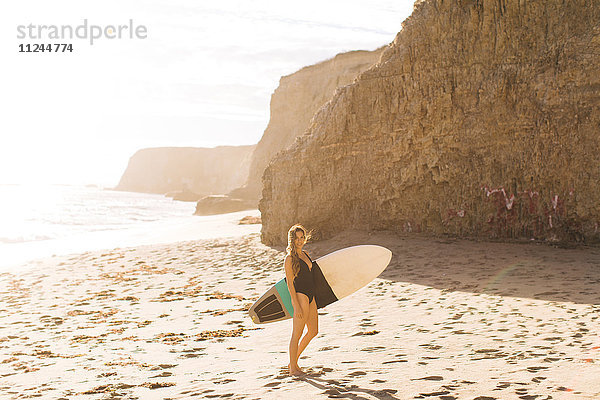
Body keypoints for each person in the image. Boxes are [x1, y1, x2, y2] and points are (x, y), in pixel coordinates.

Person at [284, 224, 318, 376]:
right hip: (301, 296)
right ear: (292, 239)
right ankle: (293, 369)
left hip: (311, 296)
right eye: (296, 238)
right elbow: (290, 283)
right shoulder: (290, 259)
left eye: (302, 237)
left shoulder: (305, 254)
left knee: (313, 331)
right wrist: (295, 305)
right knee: (296, 334)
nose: (299, 240)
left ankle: (293, 361)